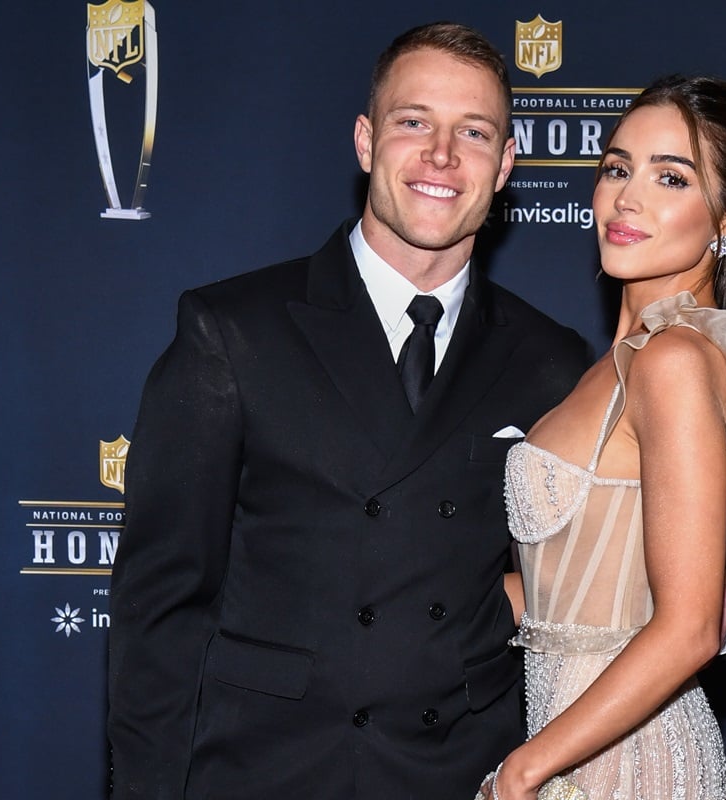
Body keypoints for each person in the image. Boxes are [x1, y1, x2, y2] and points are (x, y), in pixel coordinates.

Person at [106, 23, 592, 798]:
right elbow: (161, 607)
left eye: (473, 132)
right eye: (413, 122)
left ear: (504, 166)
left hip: (462, 772)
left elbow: (588, 573)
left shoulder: (553, 360)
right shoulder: (233, 331)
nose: (441, 156)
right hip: (267, 769)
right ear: (366, 142)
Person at [479, 75, 726, 800]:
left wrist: (522, 774)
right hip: (572, 744)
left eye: (671, 178)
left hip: (628, 763)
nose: (628, 198)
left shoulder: (676, 360)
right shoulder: (613, 364)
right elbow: (574, 596)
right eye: (618, 169)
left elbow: (689, 629)